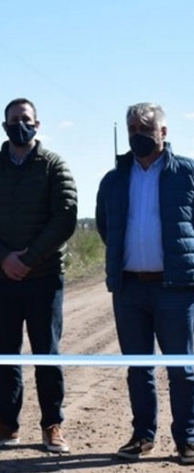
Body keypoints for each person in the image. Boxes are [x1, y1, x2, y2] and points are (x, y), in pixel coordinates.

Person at [0, 98, 77, 453]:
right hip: (1, 277)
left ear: (38, 124)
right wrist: (4, 258)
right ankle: (6, 424)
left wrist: (29, 259)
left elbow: (64, 217)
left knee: (46, 353)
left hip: (43, 277)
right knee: (5, 355)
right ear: (4, 126)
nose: (20, 124)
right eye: (14, 120)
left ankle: (52, 424)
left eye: (26, 119)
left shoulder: (53, 166)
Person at [96, 102, 194, 464]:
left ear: (164, 133)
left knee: (182, 368)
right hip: (130, 289)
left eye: (145, 128)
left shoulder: (187, 174)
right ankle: (142, 436)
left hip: (175, 289)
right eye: (132, 129)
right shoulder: (115, 178)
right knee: (138, 367)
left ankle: (187, 438)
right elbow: (107, 227)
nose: (138, 135)